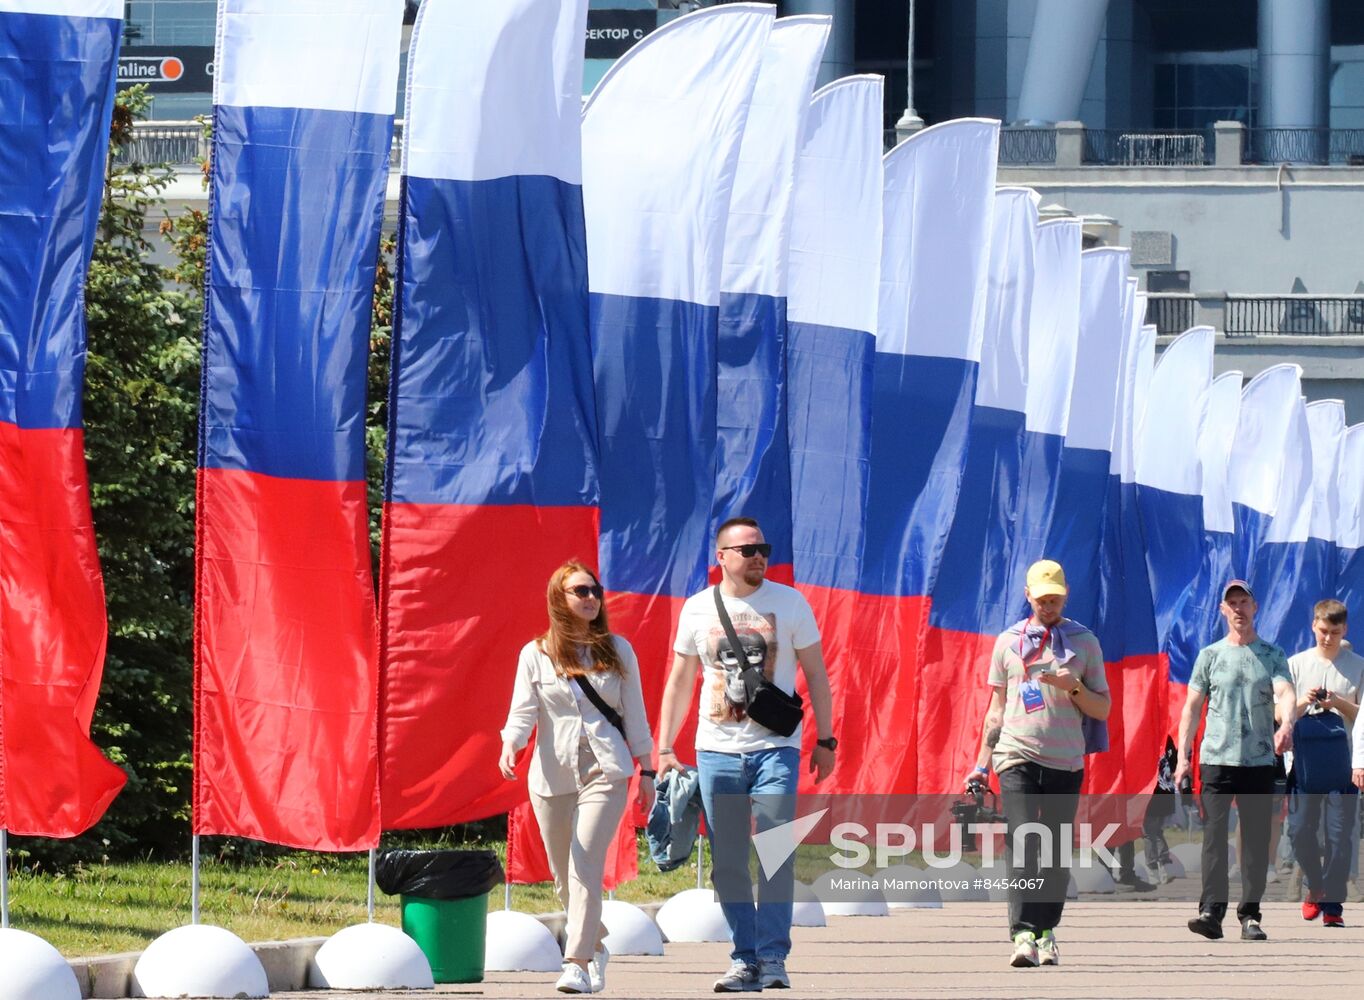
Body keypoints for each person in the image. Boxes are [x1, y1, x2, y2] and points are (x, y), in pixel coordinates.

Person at [656, 517, 835, 992]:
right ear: (722, 558)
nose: (759, 556)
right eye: (748, 549)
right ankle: (745, 957)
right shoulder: (696, 610)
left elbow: (816, 674)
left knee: (776, 852)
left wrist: (827, 739)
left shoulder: (789, 602)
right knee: (729, 861)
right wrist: (664, 746)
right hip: (715, 751)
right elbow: (679, 680)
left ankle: (773, 956)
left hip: (776, 747)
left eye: (764, 548)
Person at [499, 561, 656, 994]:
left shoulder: (618, 650)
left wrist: (649, 769)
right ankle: (597, 942)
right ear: (559, 599)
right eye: (580, 591)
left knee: (585, 862)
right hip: (550, 774)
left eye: (595, 591)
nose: (591, 599)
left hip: (606, 770)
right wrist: (511, 741)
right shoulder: (536, 653)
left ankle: (578, 962)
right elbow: (523, 709)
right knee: (562, 873)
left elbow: (635, 715)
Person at [964, 559, 1111, 969]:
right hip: (1016, 755)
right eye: (1042, 597)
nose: (1048, 605)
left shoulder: (1085, 642)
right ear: (1027, 595)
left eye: (1055, 598)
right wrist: (981, 764)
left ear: (1065, 595)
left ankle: (1047, 931)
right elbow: (996, 710)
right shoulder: (1007, 643)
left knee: (1056, 850)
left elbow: (1102, 708)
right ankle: (1023, 933)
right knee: (1024, 840)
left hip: (1065, 759)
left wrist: (1073, 686)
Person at [1175, 579, 1295, 942]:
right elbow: (1192, 709)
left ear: (1255, 608)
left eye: (1245, 602)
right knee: (1214, 837)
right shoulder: (1210, 656)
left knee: (1256, 841)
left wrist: (1286, 723)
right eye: (1233, 603)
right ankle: (1211, 911)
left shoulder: (1272, 654)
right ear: (1223, 611)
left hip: (1258, 761)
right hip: (1216, 759)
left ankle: (1250, 915)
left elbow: (1285, 692)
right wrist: (1183, 757)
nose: (1239, 609)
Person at [1287, 599, 1362, 927]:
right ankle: (1315, 886)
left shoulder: (1358, 665)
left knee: (1339, 836)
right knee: (1300, 831)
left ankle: (1332, 904)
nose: (1328, 637)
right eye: (1322, 631)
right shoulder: (1296, 664)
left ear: (1344, 629)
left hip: (1344, 763)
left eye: (1334, 632)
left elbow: (1362, 717)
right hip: (1305, 764)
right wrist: (1303, 702)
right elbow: (1280, 714)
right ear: (1313, 626)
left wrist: (1339, 703)